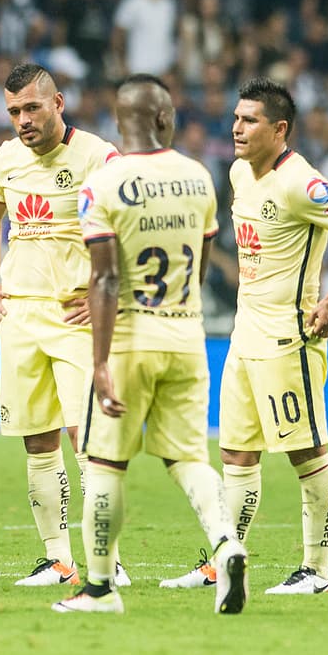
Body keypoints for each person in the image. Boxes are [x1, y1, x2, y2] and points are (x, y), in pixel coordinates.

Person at [160, 78, 328, 595]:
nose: (237, 128)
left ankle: (318, 571)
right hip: (245, 335)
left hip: (289, 338)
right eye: (236, 118)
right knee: (236, 455)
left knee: (306, 455)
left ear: (279, 129)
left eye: (250, 120)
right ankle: (225, 559)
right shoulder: (239, 173)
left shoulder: (300, 182)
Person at [53, 74, 247, 615]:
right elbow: (201, 266)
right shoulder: (199, 177)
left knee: (104, 464)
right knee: (188, 458)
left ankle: (99, 589)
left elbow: (105, 279)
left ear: (120, 122)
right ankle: (226, 543)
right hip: (187, 336)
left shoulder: (102, 185)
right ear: (164, 118)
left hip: (130, 340)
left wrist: (99, 361)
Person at [0, 63, 129, 587]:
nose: (23, 120)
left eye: (32, 108)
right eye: (14, 111)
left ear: (58, 103)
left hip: (76, 318)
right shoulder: (5, 160)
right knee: (37, 441)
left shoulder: (99, 157)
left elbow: (136, 226)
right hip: (20, 314)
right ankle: (58, 560)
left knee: (88, 441)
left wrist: (110, 291)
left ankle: (107, 561)